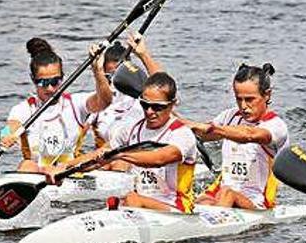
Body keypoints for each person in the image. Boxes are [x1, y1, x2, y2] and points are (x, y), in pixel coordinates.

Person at [47, 72, 199, 213]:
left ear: (173, 104)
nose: (149, 111)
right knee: (114, 201)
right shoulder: (131, 129)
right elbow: (97, 157)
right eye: (145, 105)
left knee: (131, 198)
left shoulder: (182, 134)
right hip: (141, 203)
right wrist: (65, 168)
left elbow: (159, 159)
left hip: (177, 209)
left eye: (157, 107)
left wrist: (119, 155)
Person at [184, 63, 288, 210]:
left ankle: (217, 230)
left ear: (267, 95)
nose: (243, 106)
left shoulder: (275, 126)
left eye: (250, 99)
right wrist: (167, 112)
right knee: (198, 201)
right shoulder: (230, 116)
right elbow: (201, 133)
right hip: (222, 194)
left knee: (227, 193)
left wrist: (211, 128)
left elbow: (249, 135)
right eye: (239, 99)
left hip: (256, 202)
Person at [0, 38, 113, 172]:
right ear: (33, 79)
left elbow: (105, 101)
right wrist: (6, 135)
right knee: (26, 165)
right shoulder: (24, 109)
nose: (50, 88)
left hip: (70, 170)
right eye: (43, 82)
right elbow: (10, 126)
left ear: (63, 78)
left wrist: (97, 71)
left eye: (55, 81)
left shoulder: (75, 103)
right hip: (37, 173)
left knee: (110, 156)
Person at [88, 33, 162, 148]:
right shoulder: (95, 104)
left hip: (143, 152)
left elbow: (164, 86)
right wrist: (96, 70)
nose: (114, 83)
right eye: (108, 76)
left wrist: (143, 54)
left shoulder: (143, 98)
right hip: (110, 159)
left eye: (118, 76)